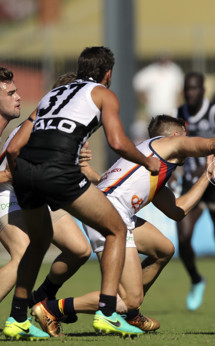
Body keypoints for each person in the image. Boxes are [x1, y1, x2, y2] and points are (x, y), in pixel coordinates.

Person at [31, 115, 215, 336]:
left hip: (115, 212)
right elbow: (211, 144)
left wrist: (207, 176)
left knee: (164, 249)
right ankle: (52, 308)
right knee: (130, 298)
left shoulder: (152, 164)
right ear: (175, 136)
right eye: (184, 135)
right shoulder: (168, 145)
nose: (187, 140)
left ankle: (129, 311)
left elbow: (177, 211)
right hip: (107, 213)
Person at [3, 46, 162, 340]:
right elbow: (117, 141)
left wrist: (23, 176)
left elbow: (13, 148)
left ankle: (16, 319)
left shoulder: (50, 96)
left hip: (26, 172)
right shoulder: (103, 93)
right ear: (108, 73)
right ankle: (107, 312)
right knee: (115, 228)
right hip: (59, 170)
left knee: (38, 244)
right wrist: (147, 160)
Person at [0, 71, 92, 311]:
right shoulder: (35, 125)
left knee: (80, 250)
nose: (19, 97)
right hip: (9, 194)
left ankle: (40, 299)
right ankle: (20, 315)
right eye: (11, 93)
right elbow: (12, 168)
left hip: (33, 193)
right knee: (23, 254)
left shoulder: (66, 128)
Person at [176, 72, 215, 311]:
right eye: (187, 89)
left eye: (194, 89)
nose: (190, 93)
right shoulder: (179, 114)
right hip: (192, 184)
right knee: (183, 238)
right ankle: (195, 280)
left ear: (203, 90)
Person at [133, 52, 184, 120]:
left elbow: (180, 88)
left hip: (171, 109)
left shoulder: (175, 70)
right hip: (154, 110)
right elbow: (138, 83)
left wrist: (179, 103)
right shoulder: (150, 71)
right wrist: (144, 99)